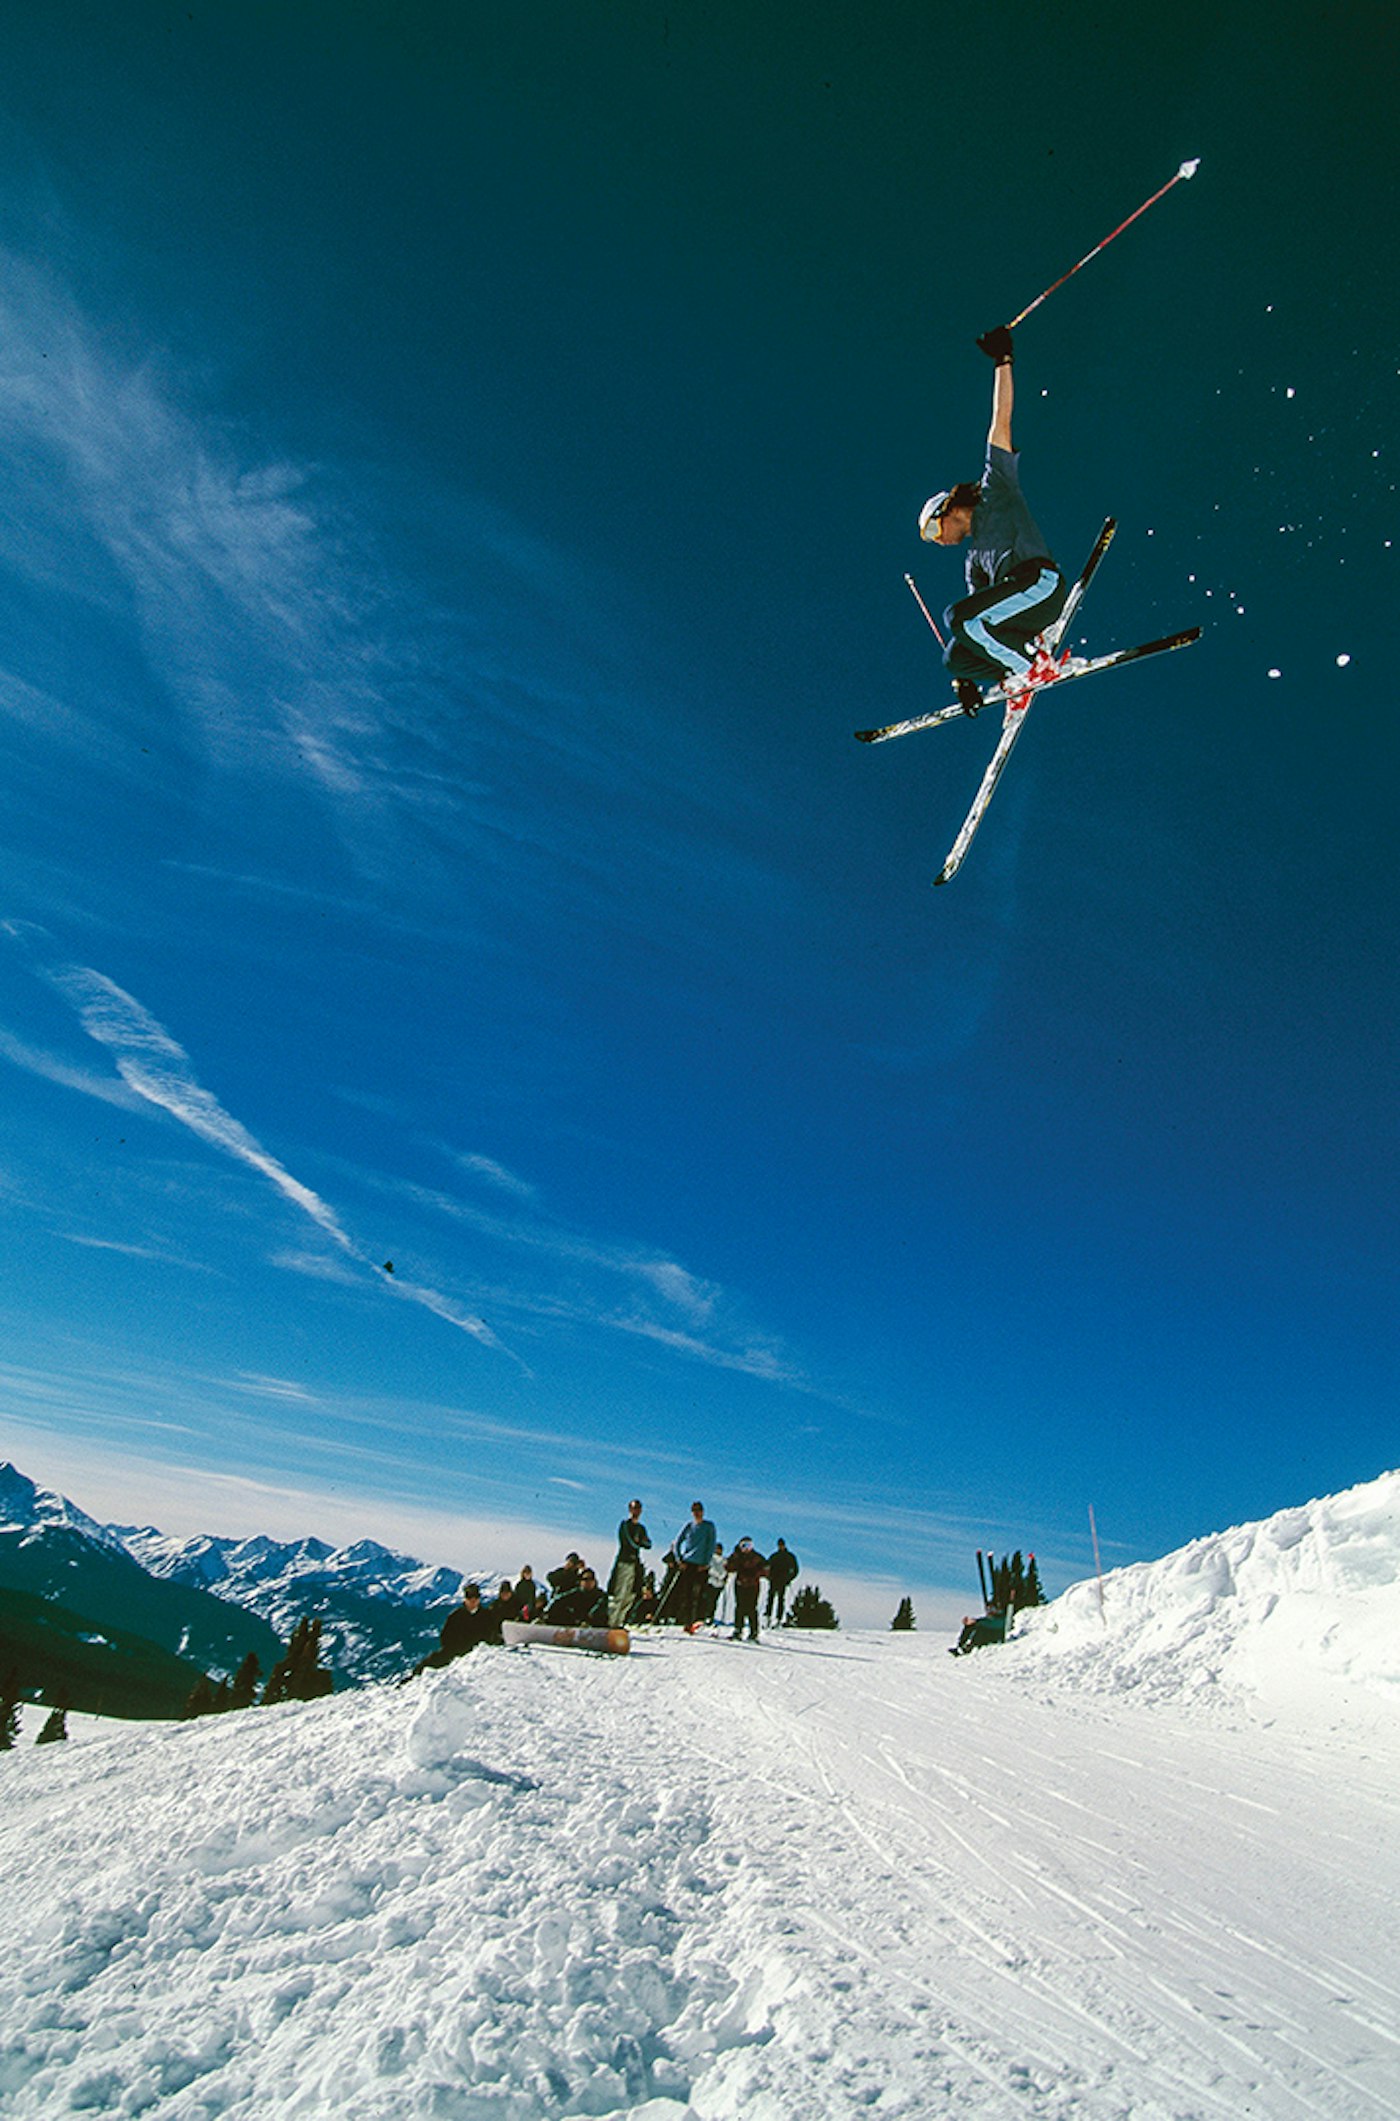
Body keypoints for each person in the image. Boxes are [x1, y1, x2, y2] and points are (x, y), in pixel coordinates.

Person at [918, 327, 1067, 716]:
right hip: (1017, 614)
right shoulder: (973, 562)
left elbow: (1000, 420)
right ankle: (1020, 665)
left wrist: (1003, 361)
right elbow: (973, 628)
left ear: (948, 510)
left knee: (957, 616)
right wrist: (965, 679)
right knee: (954, 655)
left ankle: (1030, 667)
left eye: (935, 531)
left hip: (1040, 584)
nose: (939, 541)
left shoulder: (996, 489)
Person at [669, 1501, 717, 1631]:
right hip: (688, 1563)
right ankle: (687, 1621)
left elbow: (711, 1544)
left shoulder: (708, 1526)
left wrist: (706, 1562)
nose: (697, 1513)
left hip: (701, 1565)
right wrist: (680, 1560)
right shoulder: (689, 1526)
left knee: (701, 1593)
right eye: (694, 1510)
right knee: (687, 1594)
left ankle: (699, 1619)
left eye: (699, 1510)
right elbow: (677, 1542)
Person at [608, 1498, 652, 1626]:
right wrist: (639, 1542)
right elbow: (629, 1542)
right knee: (619, 1594)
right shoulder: (625, 1525)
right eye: (634, 1508)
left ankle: (619, 1622)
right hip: (624, 1562)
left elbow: (648, 1544)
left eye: (638, 1509)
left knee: (630, 1596)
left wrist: (641, 1542)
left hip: (635, 1564)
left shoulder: (641, 1528)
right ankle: (611, 1623)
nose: (636, 1511)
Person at [725, 1538, 768, 1642]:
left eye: (748, 1545)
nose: (746, 1548)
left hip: (753, 1585)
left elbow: (766, 1568)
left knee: (751, 1608)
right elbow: (728, 1566)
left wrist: (758, 1573)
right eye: (744, 1546)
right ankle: (738, 1630)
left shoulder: (757, 1557)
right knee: (739, 1607)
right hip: (740, 1584)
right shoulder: (737, 1556)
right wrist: (733, 1558)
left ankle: (753, 1632)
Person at [544, 1566, 610, 1628]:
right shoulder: (576, 1593)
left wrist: (587, 1621)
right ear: (580, 1582)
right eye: (585, 1579)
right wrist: (546, 1613)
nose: (588, 1582)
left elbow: (598, 1609)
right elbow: (557, 1600)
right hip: (576, 1625)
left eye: (591, 1579)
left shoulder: (601, 1595)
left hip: (595, 1627)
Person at [764, 1538, 799, 1624]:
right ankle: (768, 1617)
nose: (780, 1546)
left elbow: (795, 1570)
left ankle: (778, 1619)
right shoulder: (774, 1556)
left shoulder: (789, 1557)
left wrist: (789, 1579)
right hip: (774, 1580)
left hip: (783, 1580)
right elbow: (767, 1568)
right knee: (771, 1598)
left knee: (780, 1599)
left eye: (781, 1545)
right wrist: (768, 1577)